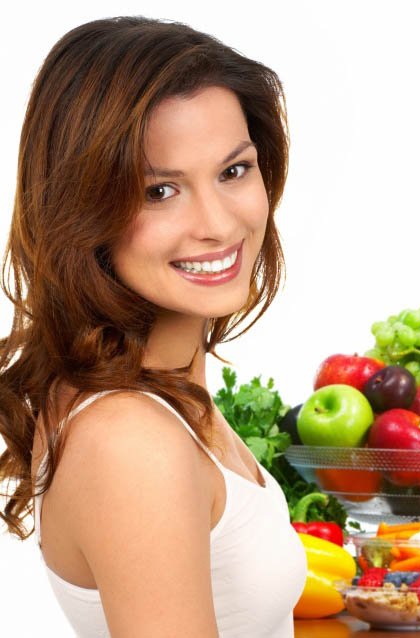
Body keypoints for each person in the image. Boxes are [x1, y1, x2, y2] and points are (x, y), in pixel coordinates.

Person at [0, 16, 307, 638]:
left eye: (233, 171)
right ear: (81, 209)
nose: (218, 225)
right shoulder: (132, 441)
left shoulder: (162, 387)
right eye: (160, 190)